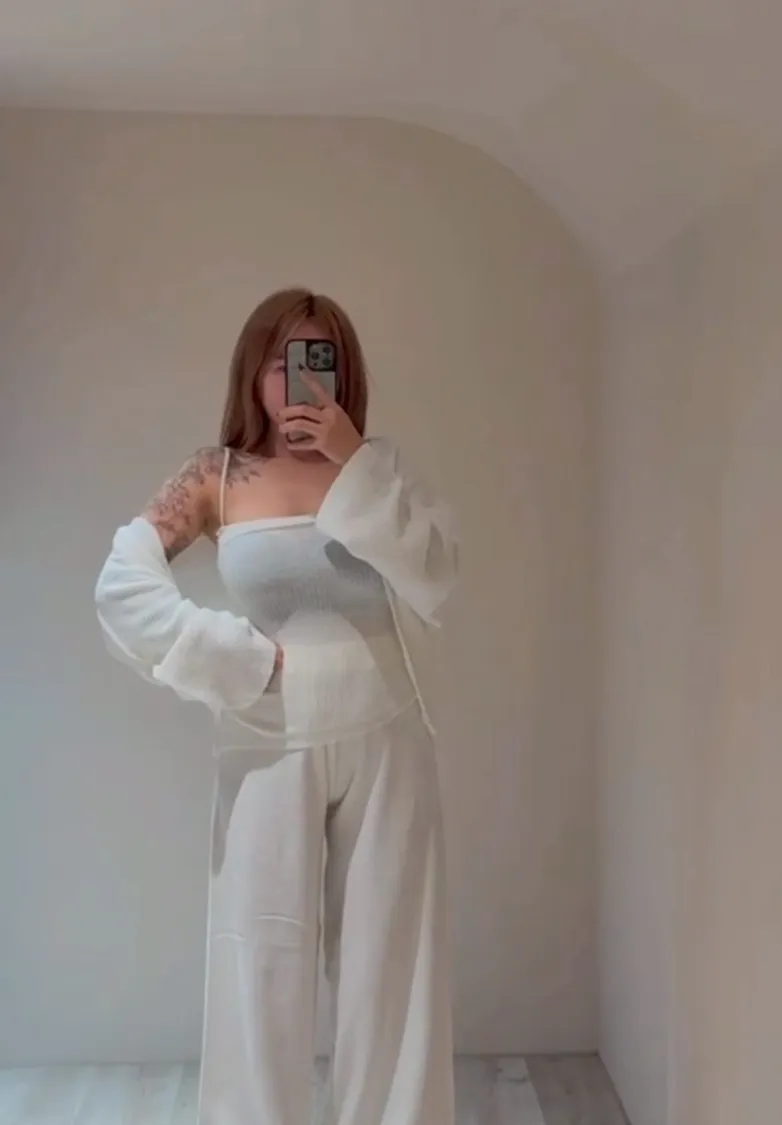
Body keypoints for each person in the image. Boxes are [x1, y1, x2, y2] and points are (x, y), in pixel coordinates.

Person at [93, 287, 458, 1125]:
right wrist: (229, 656)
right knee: (258, 963)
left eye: (321, 357)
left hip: (388, 735)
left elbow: (436, 575)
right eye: (284, 359)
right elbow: (121, 583)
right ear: (254, 371)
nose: (301, 378)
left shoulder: (381, 468)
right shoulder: (215, 476)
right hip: (266, 735)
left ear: (345, 370)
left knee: (391, 961)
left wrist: (353, 460)